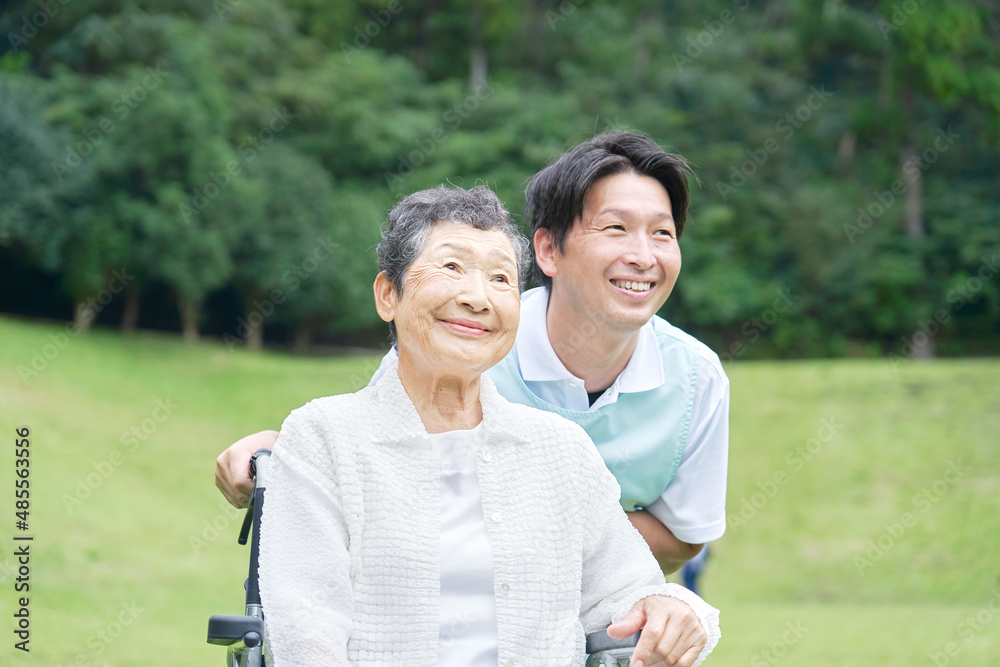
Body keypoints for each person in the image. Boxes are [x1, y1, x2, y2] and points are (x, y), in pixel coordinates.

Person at [218, 131, 729, 574]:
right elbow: (370, 449)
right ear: (548, 251)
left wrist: (532, 539)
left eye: (662, 233)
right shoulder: (471, 335)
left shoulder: (698, 377)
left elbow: (682, 534)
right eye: (616, 228)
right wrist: (282, 445)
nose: (643, 256)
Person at [258, 185, 719, 666]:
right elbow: (307, 629)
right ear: (388, 294)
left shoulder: (561, 451)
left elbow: (631, 590)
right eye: (452, 267)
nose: (478, 298)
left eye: (501, 279)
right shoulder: (324, 437)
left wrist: (673, 606)